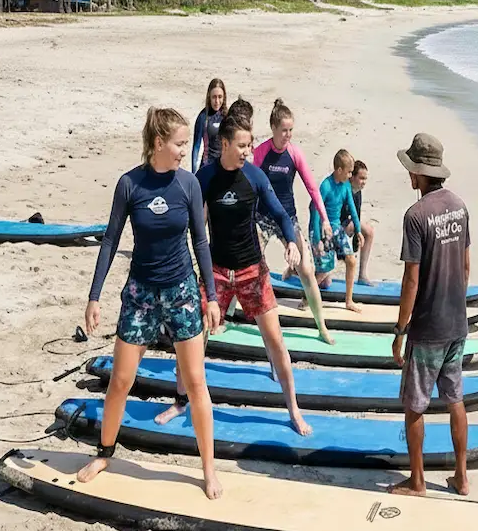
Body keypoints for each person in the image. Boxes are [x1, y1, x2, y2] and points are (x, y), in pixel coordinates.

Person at [78, 107, 223, 499]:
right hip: (140, 294)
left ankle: (208, 469)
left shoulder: (189, 185)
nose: (184, 151)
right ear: (159, 143)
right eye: (179, 144)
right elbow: (110, 241)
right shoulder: (130, 185)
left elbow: (201, 242)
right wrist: (94, 296)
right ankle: (104, 453)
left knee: (195, 383)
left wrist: (210, 296)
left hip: (181, 293)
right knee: (121, 381)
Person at [158, 104, 314, 436]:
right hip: (215, 270)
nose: (247, 151)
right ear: (225, 144)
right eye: (242, 145)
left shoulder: (255, 177)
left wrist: (290, 242)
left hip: (252, 272)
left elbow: (281, 214)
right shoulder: (206, 177)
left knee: (276, 342)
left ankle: (293, 409)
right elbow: (188, 220)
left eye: (249, 145)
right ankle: (180, 400)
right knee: (191, 339)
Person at [390, 133, 472, 497]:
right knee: (455, 399)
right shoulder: (460, 206)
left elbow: (411, 279)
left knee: (415, 404)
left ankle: (418, 481)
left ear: (418, 175)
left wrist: (400, 329)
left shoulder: (416, 215)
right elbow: (466, 267)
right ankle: (461, 477)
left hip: (428, 326)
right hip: (457, 321)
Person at [253, 98, 336, 343]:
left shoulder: (294, 154)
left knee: (308, 271)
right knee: (247, 267)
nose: (288, 134)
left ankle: (322, 327)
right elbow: (250, 186)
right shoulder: (261, 152)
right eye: (284, 130)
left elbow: (312, 188)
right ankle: (227, 316)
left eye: (291, 130)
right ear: (273, 128)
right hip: (262, 218)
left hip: (288, 218)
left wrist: (325, 219)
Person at [309, 149, 363, 314]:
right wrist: (318, 239)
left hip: (336, 228)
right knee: (324, 273)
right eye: (348, 172)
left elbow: (352, 208)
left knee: (351, 260)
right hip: (321, 229)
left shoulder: (345, 185)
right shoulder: (325, 186)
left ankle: (349, 301)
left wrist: (358, 230)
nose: (350, 176)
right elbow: (315, 211)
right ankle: (305, 296)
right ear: (339, 170)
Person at [340, 159, 376, 285]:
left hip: (347, 225)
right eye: (361, 178)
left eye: (365, 179)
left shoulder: (357, 191)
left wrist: (357, 238)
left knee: (369, 231)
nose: (364, 182)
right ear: (352, 177)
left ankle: (362, 275)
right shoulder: (343, 189)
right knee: (324, 280)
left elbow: (357, 214)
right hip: (333, 228)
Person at [191, 78, 226, 173]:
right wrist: (194, 173)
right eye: (214, 97)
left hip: (225, 166)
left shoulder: (227, 116)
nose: (217, 101)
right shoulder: (203, 117)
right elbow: (196, 147)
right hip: (207, 166)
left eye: (220, 97)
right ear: (209, 97)